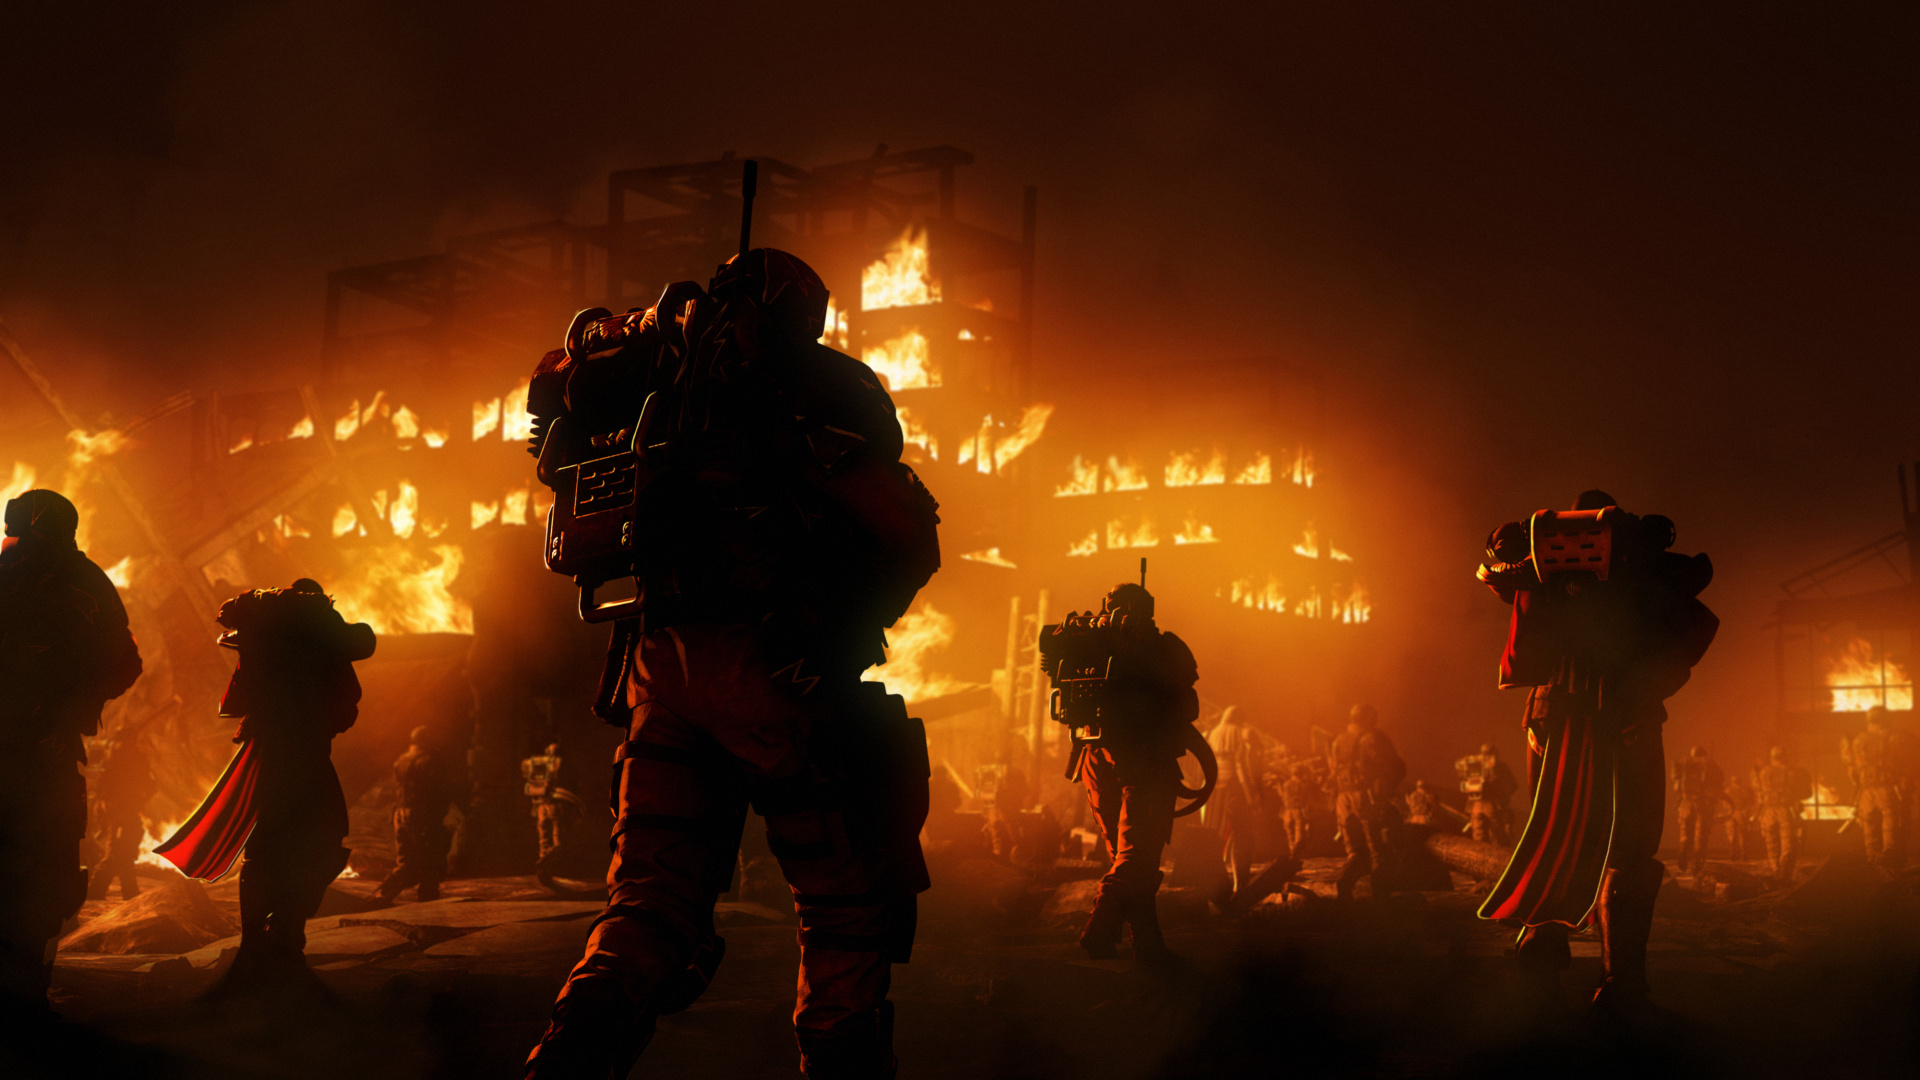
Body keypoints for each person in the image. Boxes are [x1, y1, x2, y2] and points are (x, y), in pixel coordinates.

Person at [520, 248, 936, 1080]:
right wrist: (842, 626)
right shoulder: (815, 388)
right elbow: (904, 536)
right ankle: (843, 1063)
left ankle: (563, 1064)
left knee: (648, 904)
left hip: (658, 670)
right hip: (779, 674)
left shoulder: (646, 388)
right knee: (844, 904)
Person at [1474, 491, 1717, 1011]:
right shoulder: (1640, 576)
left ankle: (1544, 949)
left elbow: (1493, 575)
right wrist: (1646, 691)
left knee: (1553, 832)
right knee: (1629, 849)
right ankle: (1620, 984)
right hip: (1619, 716)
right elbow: (1695, 615)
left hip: (1552, 715)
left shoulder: (1537, 573)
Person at [158, 579, 375, 986]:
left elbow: (247, 694)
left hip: (267, 752)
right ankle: (286, 939)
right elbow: (348, 695)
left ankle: (259, 943)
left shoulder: (264, 639)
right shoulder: (323, 644)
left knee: (266, 847)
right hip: (307, 754)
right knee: (321, 839)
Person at [0, 490, 141, 1016]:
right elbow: (125, 665)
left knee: (41, 875)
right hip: (46, 757)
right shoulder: (89, 584)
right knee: (41, 875)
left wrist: (61, 707)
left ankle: (24, 996)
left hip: (40, 758)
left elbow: (123, 664)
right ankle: (26, 994)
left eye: (14, 532)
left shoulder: (52, 581)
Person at [1042, 582, 1204, 965]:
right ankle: (1099, 928)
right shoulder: (1164, 646)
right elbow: (1187, 703)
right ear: (1148, 609)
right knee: (1136, 857)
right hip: (1143, 760)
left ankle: (1146, 944)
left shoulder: (1083, 640)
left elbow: (1053, 665)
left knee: (1129, 857)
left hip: (1094, 758)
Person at [1328, 704, 1405, 901]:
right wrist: (1387, 790)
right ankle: (1381, 901)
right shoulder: (1373, 738)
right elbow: (1392, 766)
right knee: (1378, 849)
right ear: (1367, 718)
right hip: (1365, 799)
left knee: (1355, 851)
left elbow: (1334, 771)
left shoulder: (1338, 740)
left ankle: (1344, 885)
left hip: (1343, 800)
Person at [378, 726, 458, 902]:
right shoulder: (429, 761)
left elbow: (397, 788)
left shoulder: (402, 760)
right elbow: (438, 790)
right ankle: (427, 897)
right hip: (422, 814)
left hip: (401, 812)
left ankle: (383, 891)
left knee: (406, 861)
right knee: (432, 858)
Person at [1203, 706, 1267, 900]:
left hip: (1212, 788)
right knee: (1242, 837)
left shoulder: (1211, 734)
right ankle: (1240, 886)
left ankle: (1215, 886)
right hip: (1235, 788)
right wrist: (1254, 796)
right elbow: (1243, 766)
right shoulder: (1243, 733)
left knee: (1216, 837)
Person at [89, 719, 156, 901]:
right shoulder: (126, 757)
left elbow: (103, 787)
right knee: (116, 853)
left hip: (122, 812)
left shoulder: (116, 758)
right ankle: (98, 891)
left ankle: (128, 892)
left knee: (123, 852)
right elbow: (150, 786)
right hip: (122, 813)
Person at [1844, 707, 1906, 867]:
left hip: (1865, 792)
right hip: (1886, 789)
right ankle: (1889, 860)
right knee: (1890, 826)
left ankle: (1874, 862)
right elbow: (1902, 764)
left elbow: (1852, 770)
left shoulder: (1858, 740)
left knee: (1869, 828)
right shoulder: (1893, 738)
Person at [1753, 747, 1807, 884]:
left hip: (1768, 812)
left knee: (1772, 845)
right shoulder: (1791, 772)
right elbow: (1802, 793)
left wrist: (1759, 815)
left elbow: (1760, 795)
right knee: (1788, 845)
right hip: (1784, 811)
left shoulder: (1764, 772)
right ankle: (1783, 875)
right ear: (1784, 756)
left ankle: (1776, 871)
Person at [1671, 745, 1725, 876]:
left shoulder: (1685, 765)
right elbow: (1719, 784)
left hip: (1686, 805)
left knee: (1685, 834)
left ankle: (1683, 850)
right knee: (1701, 837)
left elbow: (1676, 783)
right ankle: (1696, 867)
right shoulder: (1710, 766)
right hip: (1703, 806)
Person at [1464, 743, 1518, 846]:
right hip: (1482, 804)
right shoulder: (1479, 766)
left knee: (1493, 836)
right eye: (1484, 753)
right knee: (1484, 836)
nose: (1486, 756)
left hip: (1487, 804)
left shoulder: (1499, 768)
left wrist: (1502, 797)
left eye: (1488, 753)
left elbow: (1512, 786)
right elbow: (1513, 786)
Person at [1279, 763, 1315, 858]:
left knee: (1290, 835)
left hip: (1287, 811)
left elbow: (1283, 797)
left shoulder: (1286, 784)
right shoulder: (1303, 784)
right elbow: (1306, 799)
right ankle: (1295, 855)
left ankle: (1292, 853)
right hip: (1298, 811)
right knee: (1299, 836)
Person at [1722, 768, 1756, 863]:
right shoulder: (1745, 790)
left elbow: (1724, 803)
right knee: (1742, 835)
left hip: (1730, 814)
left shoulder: (1727, 790)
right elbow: (1751, 802)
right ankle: (1742, 855)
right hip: (1739, 813)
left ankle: (1733, 855)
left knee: (1732, 836)